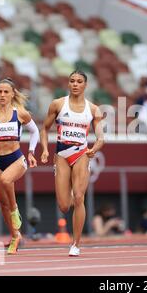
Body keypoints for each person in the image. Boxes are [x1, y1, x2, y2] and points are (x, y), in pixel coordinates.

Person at [40, 70, 104, 257]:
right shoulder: (58, 104)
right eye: (72, 81)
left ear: (85, 85)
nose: (75, 84)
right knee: (64, 206)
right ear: (68, 84)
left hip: (81, 154)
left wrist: (95, 148)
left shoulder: (93, 110)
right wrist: (44, 149)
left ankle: (76, 243)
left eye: (79, 81)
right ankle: (65, 186)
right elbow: (44, 129)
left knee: (78, 197)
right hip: (61, 154)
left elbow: (101, 138)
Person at [0, 78, 39, 254]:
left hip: (16, 159)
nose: (2, 95)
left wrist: (31, 152)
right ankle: (15, 236)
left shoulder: (20, 113)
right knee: (2, 202)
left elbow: (34, 131)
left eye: (6, 92)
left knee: (6, 180)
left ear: (12, 94)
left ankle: (15, 209)